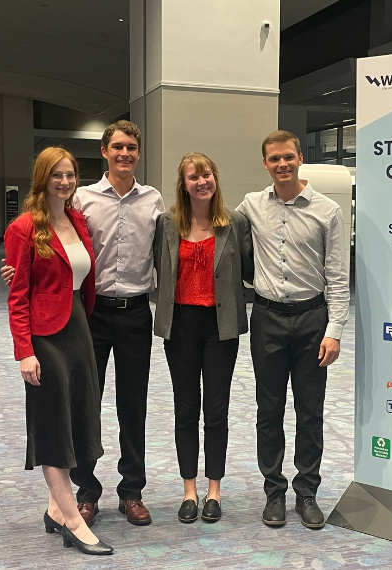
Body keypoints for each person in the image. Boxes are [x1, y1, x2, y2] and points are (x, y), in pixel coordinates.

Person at [3, 120, 164, 527]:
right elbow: (53, 247)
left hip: (136, 314)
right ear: (105, 152)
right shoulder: (82, 201)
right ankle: (86, 493)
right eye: (117, 147)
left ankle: (132, 492)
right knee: (82, 406)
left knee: (133, 406)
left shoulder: (154, 200)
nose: (124, 154)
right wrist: (18, 272)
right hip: (88, 316)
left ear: (138, 153)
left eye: (131, 147)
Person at [236, 130, 350, 529]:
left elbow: (337, 275)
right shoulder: (251, 205)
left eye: (288, 157)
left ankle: (307, 492)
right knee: (268, 411)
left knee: (309, 411)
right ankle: (274, 492)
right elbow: (217, 229)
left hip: (311, 321)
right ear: (265, 163)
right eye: (274, 159)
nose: (282, 164)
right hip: (266, 318)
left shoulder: (328, 211)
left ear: (300, 157)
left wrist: (334, 329)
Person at [4, 147, 112, 555]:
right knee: (53, 424)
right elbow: (17, 297)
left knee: (79, 417)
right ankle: (73, 522)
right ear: (42, 178)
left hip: (78, 328)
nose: (64, 182)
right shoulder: (24, 228)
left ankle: (54, 508)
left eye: (70, 175)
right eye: (57, 175)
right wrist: (24, 352)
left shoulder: (77, 219)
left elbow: (83, 277)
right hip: (45, 337)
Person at [152, 153, 253, 523]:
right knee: (185, 409)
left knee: (216, 410)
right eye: (194, 177)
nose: (201, 182)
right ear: (183, 184)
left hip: (219, 327)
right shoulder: (166, 224)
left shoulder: (234, 223)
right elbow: (153, 267)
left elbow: (253, 267)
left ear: (215, 179)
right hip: (180, 326)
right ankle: (189, 490)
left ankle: (214, 490)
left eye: (207, 174)